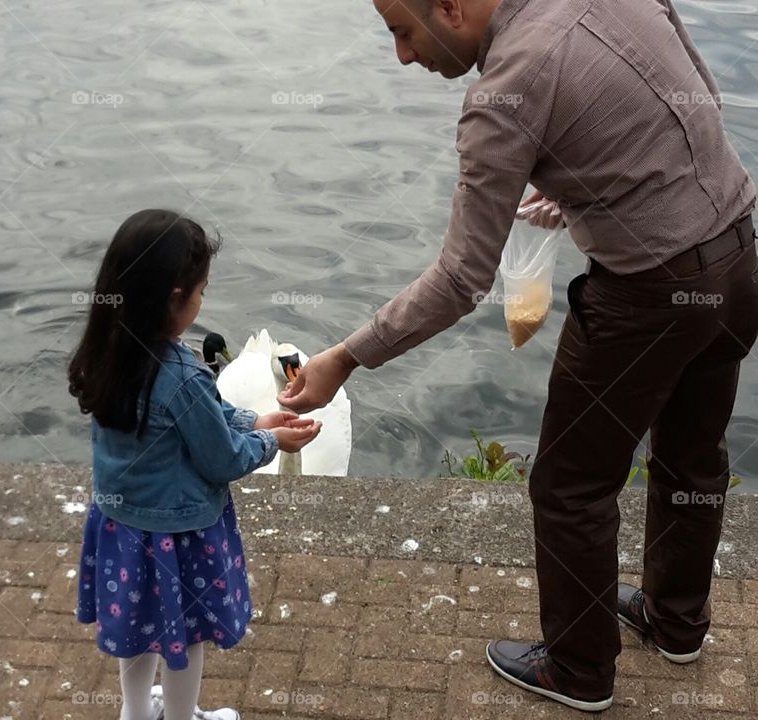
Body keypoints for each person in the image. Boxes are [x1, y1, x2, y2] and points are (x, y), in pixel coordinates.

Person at [278, 0, 758, 712]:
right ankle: (677, 622)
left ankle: (579, 671)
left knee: (570, 488)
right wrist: (592, 183)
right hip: (738, 257)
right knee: (693, 455)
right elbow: (695, 101)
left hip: (647, 298)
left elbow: (460, 279)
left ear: (451, 7)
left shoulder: (502, 95)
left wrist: (346, 357)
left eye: (403, 31)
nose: (403, 56)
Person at [68, 209, 322, 720]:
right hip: (179, 538)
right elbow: (221, 459)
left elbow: (200, 417)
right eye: (201, 291)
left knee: (137, 632)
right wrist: (272, 441)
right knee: (185, 639)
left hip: (122, 529)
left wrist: (252, 419)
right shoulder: (182, 375)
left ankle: (136, 713)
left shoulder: (107, 352)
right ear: (174, 297)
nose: (203, 300)